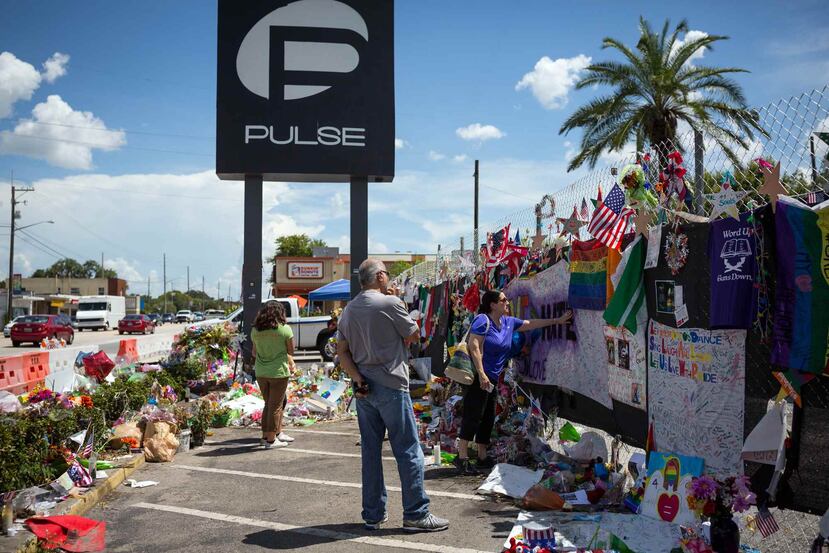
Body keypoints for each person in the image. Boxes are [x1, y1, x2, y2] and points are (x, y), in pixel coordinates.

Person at [337, 259, 450, 533]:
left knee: (371, 452)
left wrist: (358, 379)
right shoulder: (390, 303)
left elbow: (342, 352)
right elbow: (414, 336)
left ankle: (373, 514)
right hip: (391, 383)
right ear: (378, 277)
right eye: (386, 274)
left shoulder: (349, 311)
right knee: (407, 449)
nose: (388, 279)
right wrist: (399, 303)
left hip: (364, 387)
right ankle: (416, 513)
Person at [454, 289, 573, 475]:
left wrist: (556, 321)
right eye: (503, 300)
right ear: (493, 304)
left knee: (488, 416)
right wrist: (481, 373)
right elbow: (474, 345)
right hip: (479, 377)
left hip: (492, 377)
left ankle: (482, 456)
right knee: (473, 414)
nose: (507, 302)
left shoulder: (508, 322)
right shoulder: (482, 320)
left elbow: (530, 323)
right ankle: (461, 457)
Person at [250, 301, 296, 449]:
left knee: (268, 404)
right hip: (278, 372)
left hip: (261, 372)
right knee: (276, 406)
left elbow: (254, 352)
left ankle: (265, 436)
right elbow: (291, 351)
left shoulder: (255, 331)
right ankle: (271, 440)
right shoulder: (285, 329)